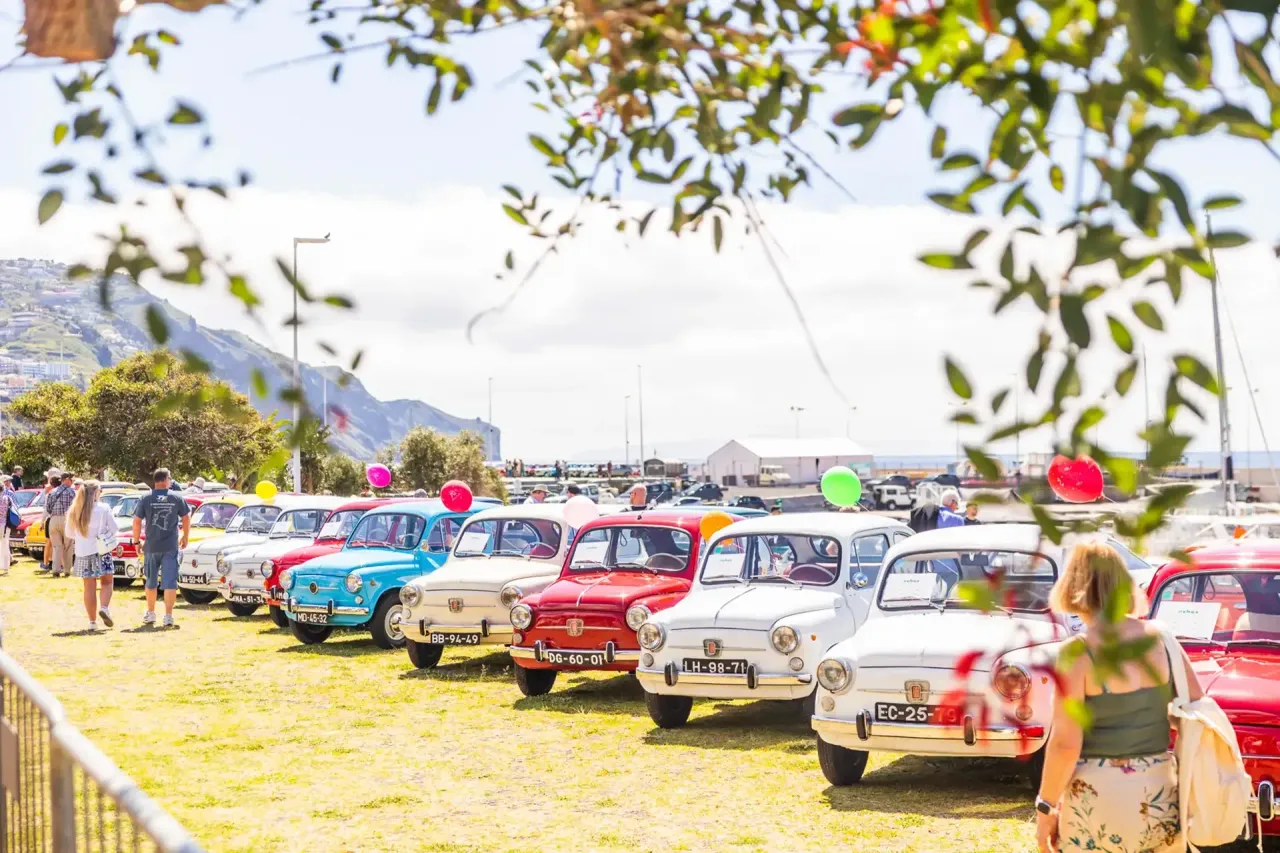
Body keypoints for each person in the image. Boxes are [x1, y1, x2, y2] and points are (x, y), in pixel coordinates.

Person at [1035, 542, 1199, 853]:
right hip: (1160, 792)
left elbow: (1066, 744)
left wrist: (1046, 807)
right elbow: (1196, 708)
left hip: (1098, 797)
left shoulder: (1077, 652)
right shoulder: (1162, 638)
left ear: (1073, 587)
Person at [133, 468, 191, 628]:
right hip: (170, 546)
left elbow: (137, 521)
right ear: (166, 480)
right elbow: (186, 517)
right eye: (170, 478)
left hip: (151, 546)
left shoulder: (145, 498)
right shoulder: (176, 497)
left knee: (151, 581)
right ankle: (168, 616)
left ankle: (151, 613)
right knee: (170, 581)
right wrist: (185, 536)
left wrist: (136, 542)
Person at [67, 480, 118, 631]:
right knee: (107, 582)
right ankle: (104, 608)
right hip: (101, 550)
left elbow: (69, 533)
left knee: (89, 586)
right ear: (95, 492)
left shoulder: (75, 509)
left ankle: (92, 622)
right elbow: (114, 528)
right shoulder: (104, 508)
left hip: (83, 552)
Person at [45, 472, 77, 578]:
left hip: (53, 519)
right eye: (71, 480)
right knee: (68, 546)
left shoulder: (52, 491)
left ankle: (55, 570)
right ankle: (67, 570)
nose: (72, 482)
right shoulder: (72, 492)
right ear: (67, 479)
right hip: (66, 519)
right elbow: (75, 508)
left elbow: (48, 508)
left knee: (56, 546)